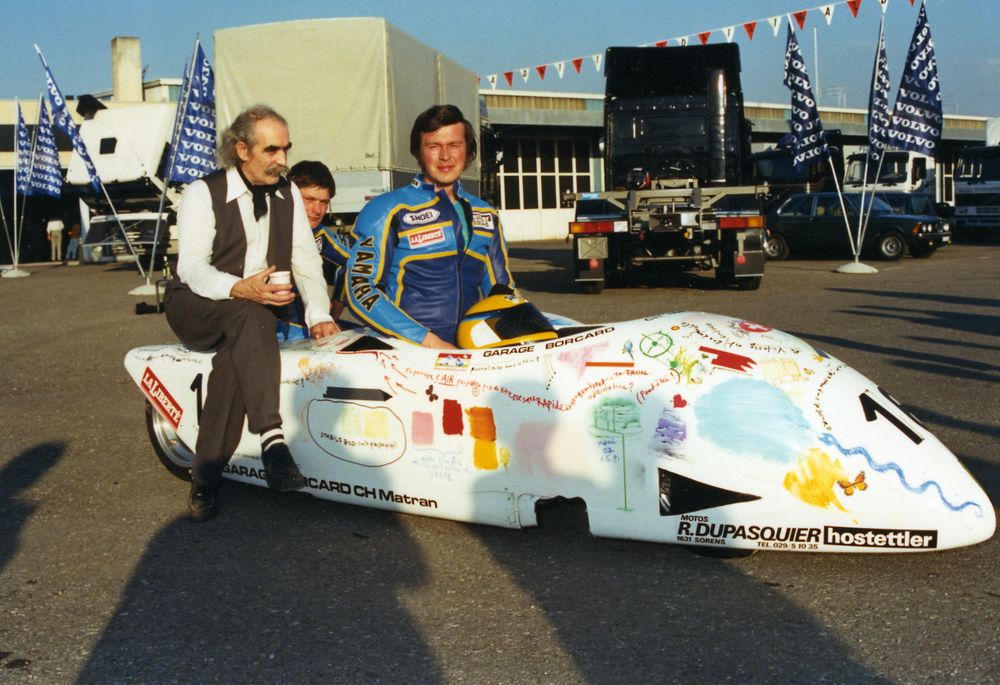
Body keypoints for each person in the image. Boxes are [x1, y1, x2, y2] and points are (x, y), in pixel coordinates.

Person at [164, 105, 338, 522]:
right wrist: (238, 288)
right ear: (242, 150)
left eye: (286, 148)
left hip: (252, 313)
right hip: (198, 303)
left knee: (237, 352)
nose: (282, 159)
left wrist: (317, 313)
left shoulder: (288, 193)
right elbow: (191, 267)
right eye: (272, 150)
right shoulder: (202, 193)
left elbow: (306, 260)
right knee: (249, 315)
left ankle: (205, 478)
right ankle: (273, 442)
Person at [346, 104, 514, 348]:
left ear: (468, 151)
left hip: (469, 352)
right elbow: (360, 288)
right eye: (434, 146)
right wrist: (427, 340)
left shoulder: (485, 213)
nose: (445, 156)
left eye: (454, 145)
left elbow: (502, 293)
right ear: (418, 152)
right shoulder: (387, 209)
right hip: (409, 353)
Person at [277, 160, 352, 341]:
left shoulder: (321, 235)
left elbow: (356, 263)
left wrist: (337, 305)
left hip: (312, 325)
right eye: (309, 199)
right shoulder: (269, 227)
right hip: (269, 326)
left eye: (324, 202)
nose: (316, 210)